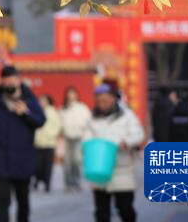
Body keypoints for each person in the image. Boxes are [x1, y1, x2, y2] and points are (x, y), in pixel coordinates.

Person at [0, 65, 45, 222]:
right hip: (1, 159)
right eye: (6, 81)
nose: (9, 84)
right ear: (2, 82)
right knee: (2, 201)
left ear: (18, 80)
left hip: (23, 159)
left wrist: (26, 113)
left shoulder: (29, 99)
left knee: (23, 202)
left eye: (12, 80)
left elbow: (41, 121)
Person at [84, 83, 144, 222]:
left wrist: (126, 142)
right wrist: (90, 145)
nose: (102, 105)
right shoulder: (92, 118)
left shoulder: (127, 116)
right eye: (99, 101)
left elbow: (138, 134)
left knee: (125, 209)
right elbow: (86, 138)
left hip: (122, 170)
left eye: (105, 101)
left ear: (113, 99)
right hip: (99, 170)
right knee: (101, 212)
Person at [59, 86, 91, 192]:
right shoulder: (63, 109)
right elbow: (60, 123)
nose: (71, 96)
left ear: (76, 95)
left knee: (77, 161)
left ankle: (77, 182)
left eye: (73, 94)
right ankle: (68, 184)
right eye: (69, 94)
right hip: (67, 138)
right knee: (67, 163)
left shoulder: (82, 108)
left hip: (78, 137)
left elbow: (88, 121)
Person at [32, 94, 61, 193]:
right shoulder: (36, 111)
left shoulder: (52, 112)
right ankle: (36, 180)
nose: (41, 103)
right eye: (40, 101)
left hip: (49, 143)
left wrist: (49, 135)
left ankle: (47, 184)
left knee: (47, 165)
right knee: (37, 165)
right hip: (38, 142)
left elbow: (57, 126)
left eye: (43, 101)